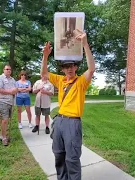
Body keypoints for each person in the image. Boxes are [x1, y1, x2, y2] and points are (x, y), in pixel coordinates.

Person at [41, 29, 95, 180]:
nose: (69, 68)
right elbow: (44, 74)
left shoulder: (80, 82)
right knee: (58, 155)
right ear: (62, 69)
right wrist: (45, 56)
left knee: (72, 158)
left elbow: (91, 69)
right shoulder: (60, 80)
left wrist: (85, 44)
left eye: (72, 65)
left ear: (76, 67)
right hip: (59, 121)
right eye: (66, 66)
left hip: (73, 123)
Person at [0, 65, 17, 146]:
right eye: (7, 69)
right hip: (2, 101)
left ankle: (1, 135)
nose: (8, 70)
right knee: (4, 120)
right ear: (3, 70)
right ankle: (4, 138)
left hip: (10, 102)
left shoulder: (13, 79)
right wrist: (11, 92)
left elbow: (15, 91)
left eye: (10, 69)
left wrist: (14, 103)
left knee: (6, 120)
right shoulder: (0, 78)